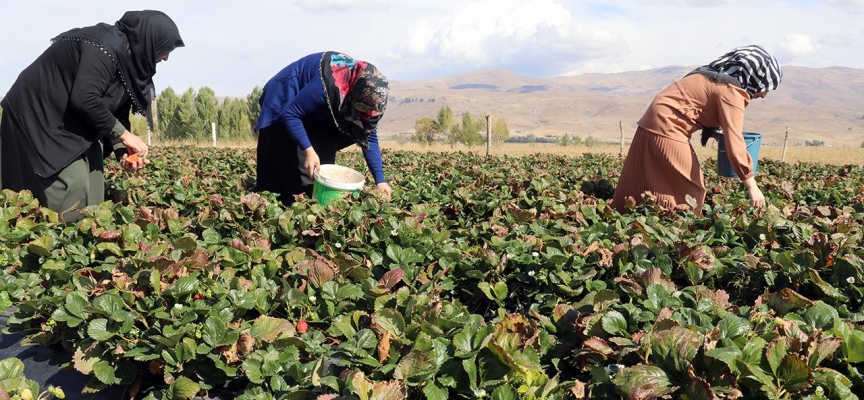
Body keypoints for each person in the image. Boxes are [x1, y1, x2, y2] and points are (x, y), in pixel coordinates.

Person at [0, 10, 184, 222]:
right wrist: (124, 134)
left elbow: (117, 113)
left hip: (71, 119)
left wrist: (124, 151)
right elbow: (84, 98)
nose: (166, 57)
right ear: (150, 40)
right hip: (36, 114)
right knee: (73, 183)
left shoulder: (130, 63)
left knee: (94, 180)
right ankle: (58, 240)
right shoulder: (102, 46)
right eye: (164, 49)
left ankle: (83, 241)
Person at [612, 45, 782, 213]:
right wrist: (752, 187)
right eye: (765, 87)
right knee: (692, 189)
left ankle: (627, 215)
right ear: (755, 77)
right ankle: (680, 228)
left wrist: (714, 133)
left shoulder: (714, 76)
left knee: (643, 177)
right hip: (668, 126)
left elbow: (697, 104)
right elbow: (735, 139)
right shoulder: (732, 92)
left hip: (652, 120)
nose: (764, 95)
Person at [254, 52, 393, 204]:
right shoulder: (329, 83)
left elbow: (369, 135)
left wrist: (380, 180)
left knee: (319, 169)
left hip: (319, 115)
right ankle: (278, 204)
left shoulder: (372, 101)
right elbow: (290, 114)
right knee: (281, 162)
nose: (366, 115)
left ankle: (309, 207)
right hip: (287, 95)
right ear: (353, 94)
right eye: (361, 109)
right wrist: (308, 150)